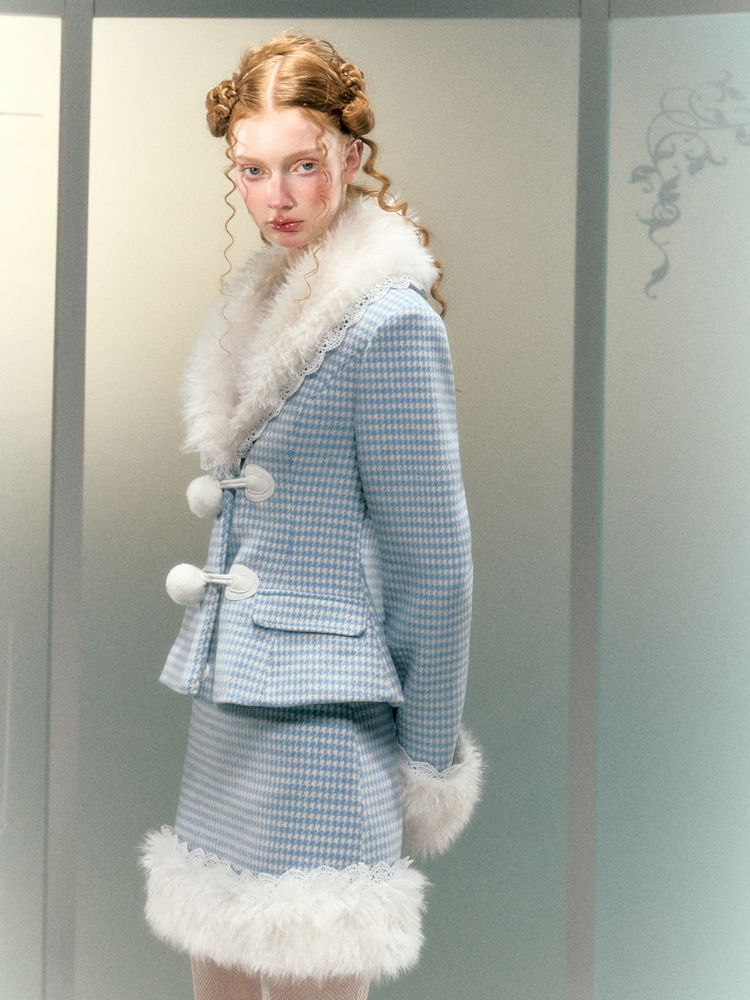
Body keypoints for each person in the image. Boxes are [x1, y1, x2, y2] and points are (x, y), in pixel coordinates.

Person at [139, 33, 483, 1000]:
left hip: (328, 719)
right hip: (232, 699)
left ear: (352, 157)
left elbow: (437, 563)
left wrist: (426, 759)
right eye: (252, 170)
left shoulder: (388, 322)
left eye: (303, 164)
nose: (277, 195)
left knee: (311, 972)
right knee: (217, 969)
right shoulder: (262, 304)